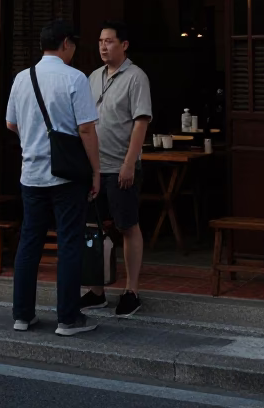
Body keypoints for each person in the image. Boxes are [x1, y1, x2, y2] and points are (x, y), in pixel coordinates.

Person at [5, 19, 101, 336]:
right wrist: (96, 171)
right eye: (73, 44)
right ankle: (68, 319)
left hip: (30, 174)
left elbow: (11, 124)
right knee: (69, 243)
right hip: (67, 176)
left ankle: (22, 315)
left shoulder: (22, 78)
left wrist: (34, 140)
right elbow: (86, 128)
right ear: (65, 44)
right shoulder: (74, 78)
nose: (74, 49)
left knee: (29, 243)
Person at [81, 20, 152, 317]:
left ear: (124, 45)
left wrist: (128, 164)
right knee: (94, 229)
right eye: (100, 41)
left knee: (127, 225)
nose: (103, 46)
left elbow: (141, 122)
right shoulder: (92, 76)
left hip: (120, 167)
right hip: (94, 168)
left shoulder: (136, 77)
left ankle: (131, 290)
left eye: (109, 41)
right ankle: (97, 290)